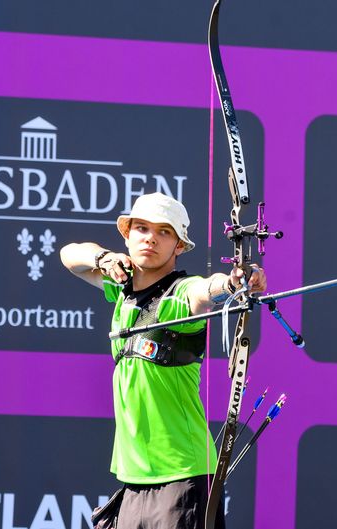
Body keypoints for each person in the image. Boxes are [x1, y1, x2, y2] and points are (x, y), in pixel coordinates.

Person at [60, 192, 266, 529]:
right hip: (133, 478)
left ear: (179, 246)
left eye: (164, 232)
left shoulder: (182, 294)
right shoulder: (120, 291)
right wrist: (104, 258)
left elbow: (206, 289)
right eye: (141, 228)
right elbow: (69, 255)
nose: (151, 238)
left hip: (183, 477)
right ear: (127, 235)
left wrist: (236, 281)